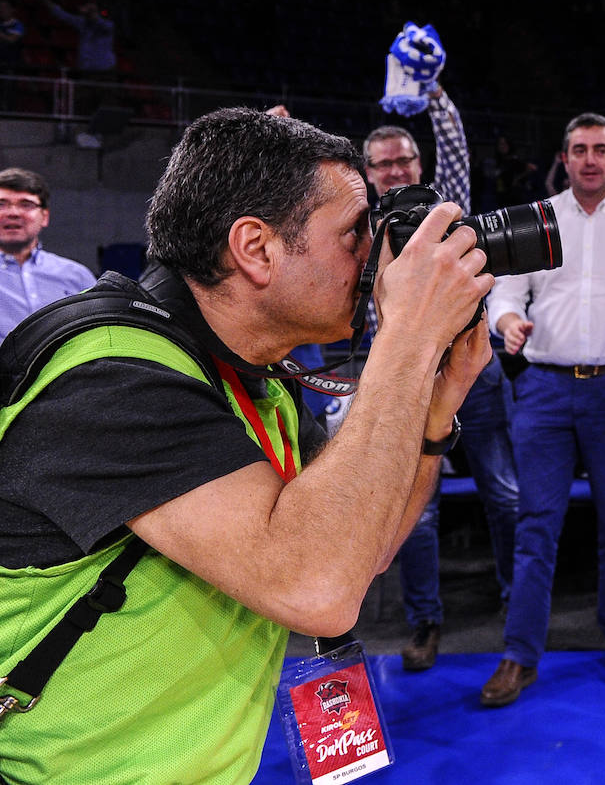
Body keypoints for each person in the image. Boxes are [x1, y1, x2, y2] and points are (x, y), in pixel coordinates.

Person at [0, 108, 493, 783]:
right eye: (355, 233)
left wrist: (434, 419)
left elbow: (359, 553)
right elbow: (317, 587)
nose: (375, 258)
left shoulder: (256, 377)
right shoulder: (113, 375)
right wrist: (405, 338)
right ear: (256, 249)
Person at [483, 111, 605, 706]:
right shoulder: (536, 221)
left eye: (601, 149)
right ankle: (520, 655)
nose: (590, 158)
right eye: (579, 149)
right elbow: (504, 290)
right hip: (543, 389)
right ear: (564, 158)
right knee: (535, 526)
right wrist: (508, 320)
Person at [361, 84, 519, 673]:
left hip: (474, 374)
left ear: (420, 165)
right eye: (384, 163)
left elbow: (454, 141)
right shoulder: (355, 233)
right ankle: (425, 621)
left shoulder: (445, 208)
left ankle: (514, 599)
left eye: (406, 159)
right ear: (369, 172)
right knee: (417, 516)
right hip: (407, 385)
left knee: (504, 495)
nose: (397, 169)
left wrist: (431, 89)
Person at [0, 167, 97, 341]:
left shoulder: (77, 276)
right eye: (1, 204)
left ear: (44, 216)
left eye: (26, 204)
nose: (13, 213)